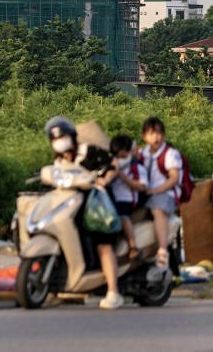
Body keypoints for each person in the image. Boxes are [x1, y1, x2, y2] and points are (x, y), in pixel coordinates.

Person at [45, 116, 122, 310]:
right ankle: (54, 289)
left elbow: (113, 164)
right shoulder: (58, 161)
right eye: (55, 139)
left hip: (96, 207)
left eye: (62, 137)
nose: (59, 142)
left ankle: (113, 292)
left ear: (72, 136)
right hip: (72, 207)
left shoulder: (88, 151)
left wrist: (105, 179)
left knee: (103, 245)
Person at [139, 116, 180, 270]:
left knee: (158, 210)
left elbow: (174, 178)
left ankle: (162, 250)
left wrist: (156, 190)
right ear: (144, 136)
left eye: (159, 133)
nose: (156, 137)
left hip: (165, 193)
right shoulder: (142, 153)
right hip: (146, 193)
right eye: (151, 133)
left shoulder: (170, 154)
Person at [108, 134, 147, 261]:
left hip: (126, 200)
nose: (120, 159)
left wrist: (122, 176)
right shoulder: (110, 165)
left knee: (122, 217)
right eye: (117, 156)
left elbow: (141, 187)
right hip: (109, 199)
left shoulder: (136, 168)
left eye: (123, 156)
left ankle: (133, 247)